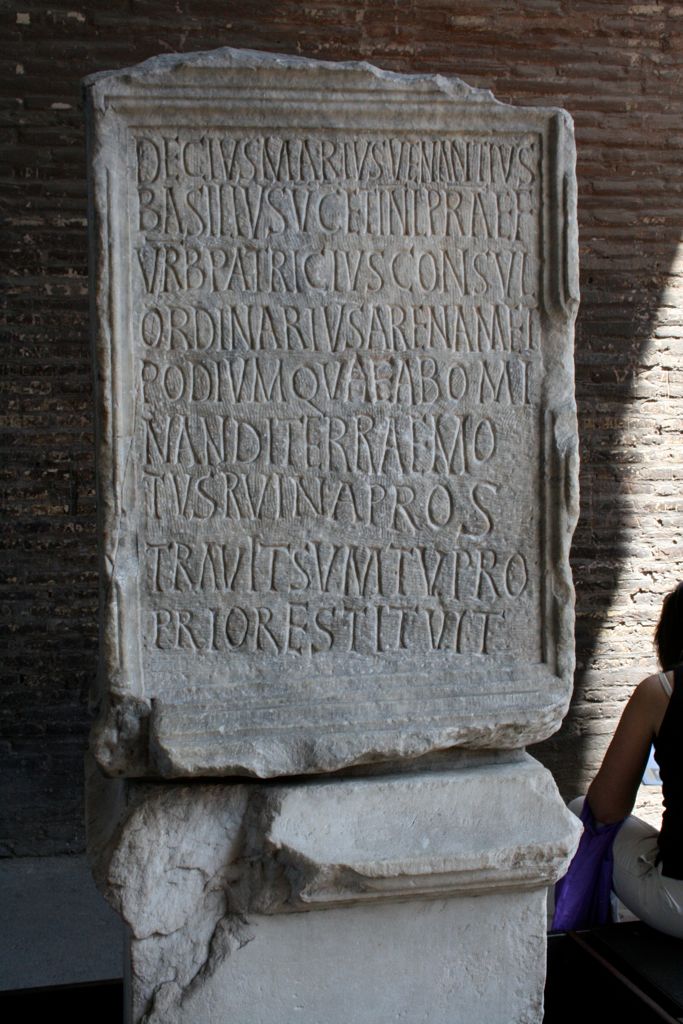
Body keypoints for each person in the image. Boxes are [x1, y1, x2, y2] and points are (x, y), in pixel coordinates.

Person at [569, 581, 683, 938]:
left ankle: (575, 948)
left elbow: (605, 809)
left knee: (577, 811)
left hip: (679, 902)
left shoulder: (661, 691)